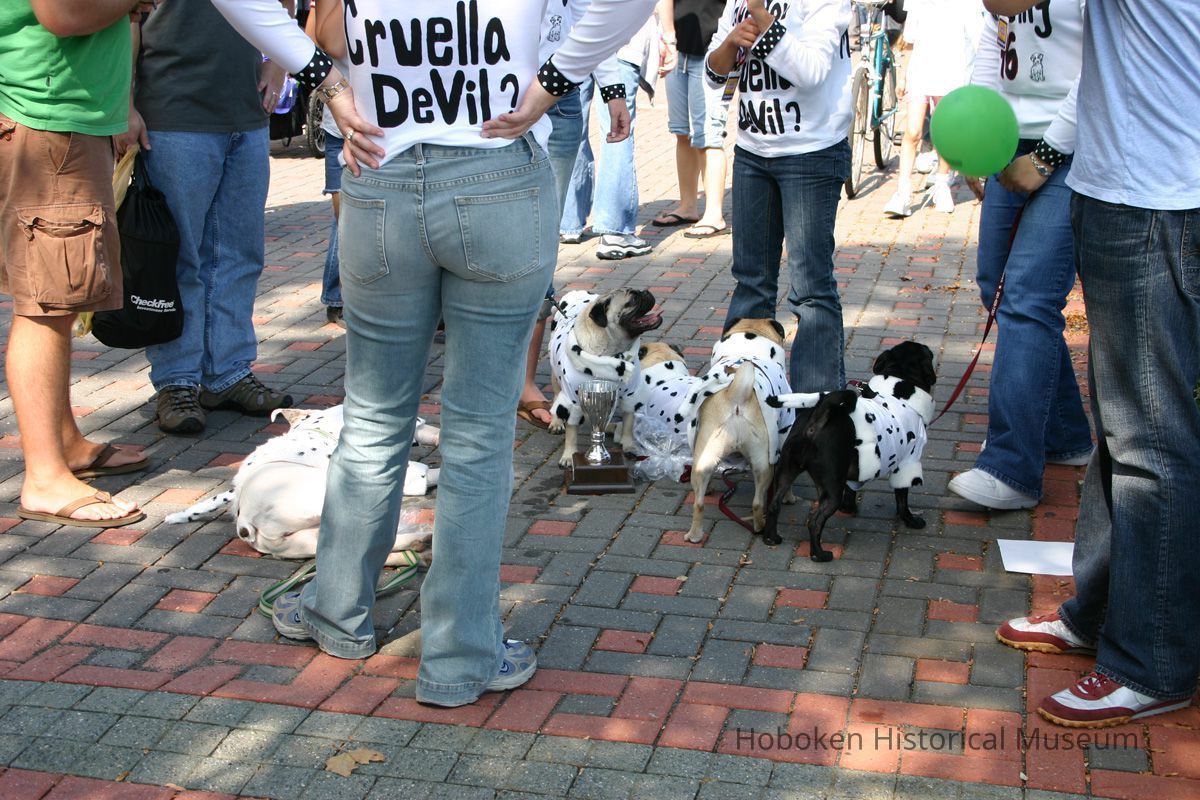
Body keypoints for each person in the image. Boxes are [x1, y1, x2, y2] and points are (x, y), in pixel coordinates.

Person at [211, 0, 655, 709]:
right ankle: (461, 655)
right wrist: (555, 78)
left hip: (381, 171)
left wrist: (323, 77)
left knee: (374, 418)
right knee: (478, 433)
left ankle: (337, 612)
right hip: (497, 176)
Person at [988, 0, 1200, 728]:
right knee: (1127, 429)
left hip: (1154, 199)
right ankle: (1103, 616)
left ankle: (1152, 662)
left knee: (1151, 442)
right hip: (1138, 189)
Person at [0, 0, 149, 529]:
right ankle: (43, 477)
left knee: (58, 300)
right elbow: (62, 11)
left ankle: (64, 444)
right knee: (47, 302)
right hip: (47, 117)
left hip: (60, 117)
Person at [120, 1, 294, 435]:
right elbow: (129, 21)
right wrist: (124, 104)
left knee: (240, 255)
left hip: (245, 116)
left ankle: (227, 373)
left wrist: (277, 62)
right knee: (180, 260)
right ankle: (177, 380)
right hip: (173, 112)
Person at [947, 1, 1091, 510]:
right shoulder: (998, 9)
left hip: (1074, 146)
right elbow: (995, 43)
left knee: (1028, 297)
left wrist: (1048, 156)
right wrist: (976, 135)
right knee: (996, 285)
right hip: (1009, 140)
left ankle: (1012, 466)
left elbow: (1100, 62)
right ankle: (1066, 437)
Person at [706, 0, 854, 394]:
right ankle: (740, 403)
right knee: (751, 281)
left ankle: (818, 413)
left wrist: (764, 18)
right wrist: (731, 44)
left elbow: (811, 72)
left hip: (812, 152)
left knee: (811, 289)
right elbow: (713, 71)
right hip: (753, 151)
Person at [518, 1, 637, 430]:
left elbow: (594, 16)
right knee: (502, 238)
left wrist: (613, 90)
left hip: (562, 96)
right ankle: (504, 375)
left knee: (539, 242)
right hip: (497, 91)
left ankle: (526, 382)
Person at [560, 7, 669, 261]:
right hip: (618, 40)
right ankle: (615, 230)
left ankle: (568, 222)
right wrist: (669, 36)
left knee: (574, 128)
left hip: (575, 39)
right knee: (617, 133)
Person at [883, 0, 982, 217]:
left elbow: (977, 41)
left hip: (952, 71)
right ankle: (903, 191)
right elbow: (909, 40)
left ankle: (942, 183)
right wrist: (902, 76)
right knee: (913, 131)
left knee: (943, 133)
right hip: (921, 70)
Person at [652, 0, 731, 238]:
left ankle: (714, 213)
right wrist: (668, 38)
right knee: (682, 132)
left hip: (713, 51)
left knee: (708, 135)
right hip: (677, 48)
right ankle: (688, 206)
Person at [305, 1, 346, 329]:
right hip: (343, 125)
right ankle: (337, 298)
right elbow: (327, 42)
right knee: (346, 219)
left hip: (405, 123)